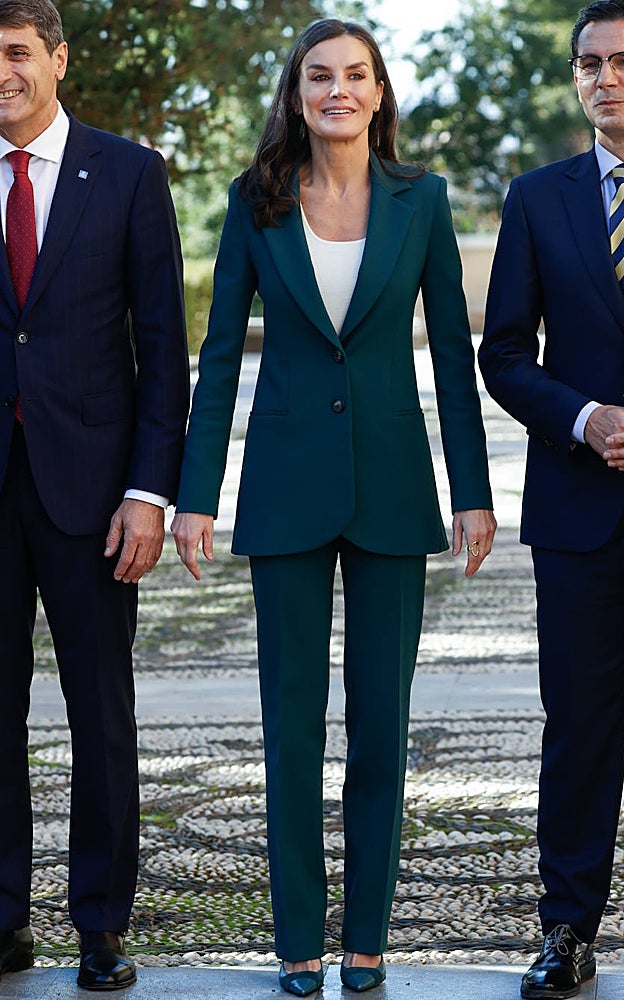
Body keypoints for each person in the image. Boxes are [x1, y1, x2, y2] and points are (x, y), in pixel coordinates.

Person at [173, 17, 495, 996]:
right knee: (290, 730)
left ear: (380, 92)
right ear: (298, 93)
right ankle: (297, 943)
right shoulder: (255, 201)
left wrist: (473, 494)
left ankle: (368, 940)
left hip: (396, 490)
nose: (338, 91)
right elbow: (222, 351)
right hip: (283, 491)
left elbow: (449, 351)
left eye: (356, 75)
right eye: (321, 76)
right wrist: (195, 497)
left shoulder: (423, 200)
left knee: (382, 728)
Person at [0, 0, 189, 990]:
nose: (3, 72)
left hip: (94, 493)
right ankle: (2, 919)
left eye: (17, 52)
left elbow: (163, 349)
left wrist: (151, 492)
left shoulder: (127, 173)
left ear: (58, 60)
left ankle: (101, 922)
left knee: (100, 715)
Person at [478, 2, 624, 996]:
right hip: (581, 512)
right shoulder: (538, 198)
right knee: (578, 726)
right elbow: (503, 355)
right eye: (590, 64)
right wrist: (583, 418)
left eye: (621, 61)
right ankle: (567, 928)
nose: (606, 79)